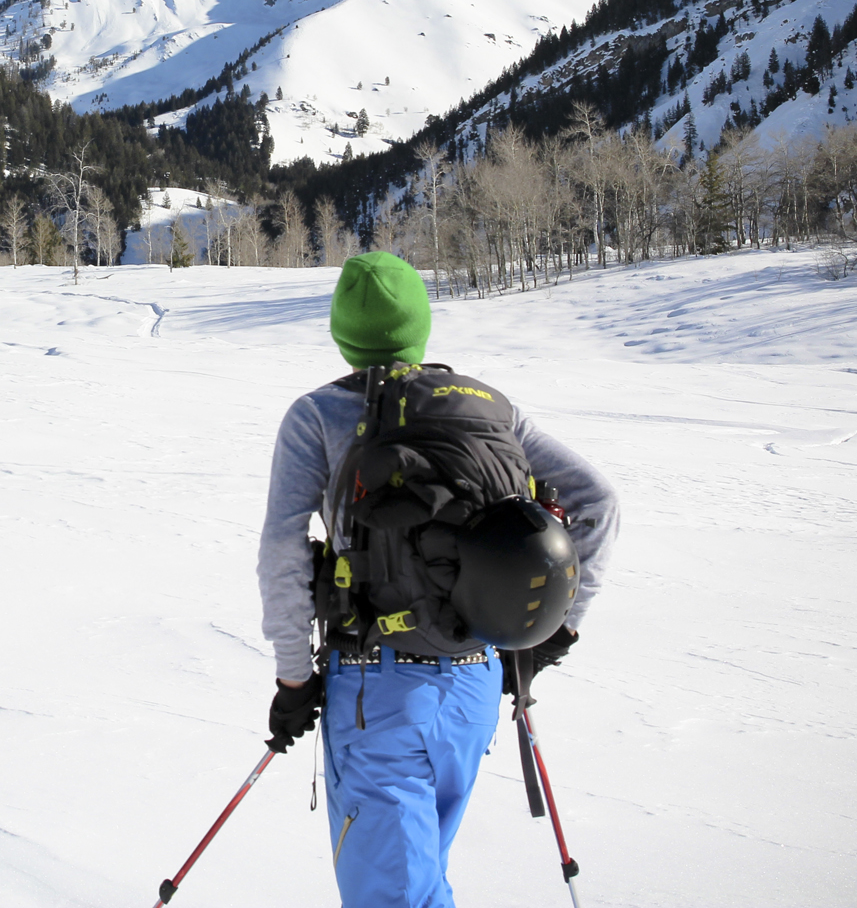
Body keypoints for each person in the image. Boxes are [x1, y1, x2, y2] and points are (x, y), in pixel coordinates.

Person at [256, 252, 619, 908]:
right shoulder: (487, 412)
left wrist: (293, 680)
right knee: (417, 881)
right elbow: (598, 503)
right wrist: (554, 631)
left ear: (342, 334)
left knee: (396, 897)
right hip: (475, 684)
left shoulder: (316, 418)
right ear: (420, 328)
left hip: (377, 691)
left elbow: (282, 555)